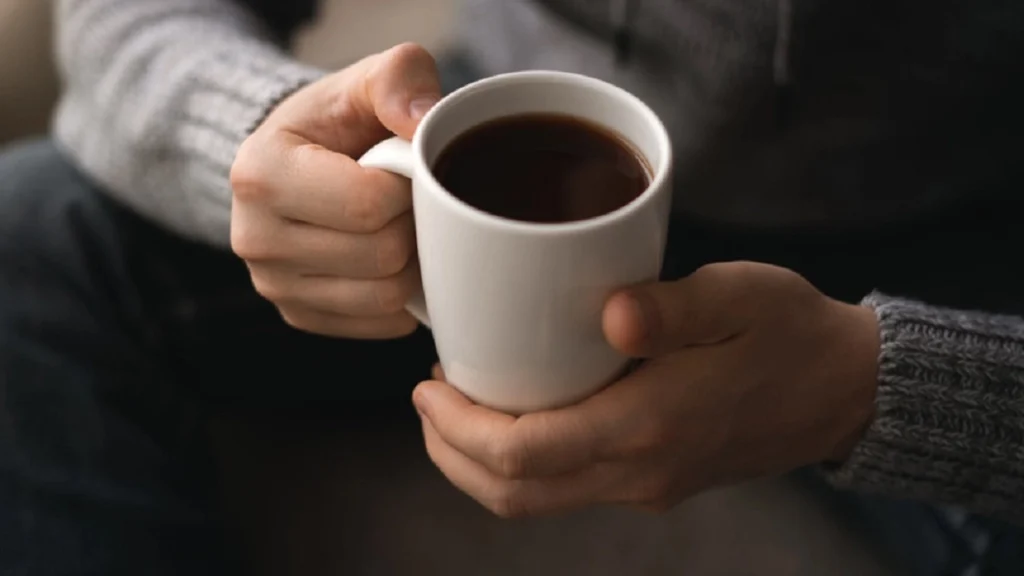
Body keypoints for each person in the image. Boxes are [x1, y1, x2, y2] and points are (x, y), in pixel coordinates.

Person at [1, 0, 1022, 574]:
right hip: (463, 142)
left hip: (958, 222)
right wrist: (263, 140)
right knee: (22, 235)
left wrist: (881, 390)